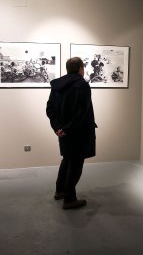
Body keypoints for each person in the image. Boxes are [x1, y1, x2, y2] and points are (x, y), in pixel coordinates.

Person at [46, 57, 97, 210]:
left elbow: (50, 109)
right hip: (79, 132)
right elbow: (81, 113)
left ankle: (60, 191)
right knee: (76, 164)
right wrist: (67, 128)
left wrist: (58, 128)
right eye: (83, 67)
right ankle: (69, 199)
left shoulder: (57, 85)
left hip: (63, 132)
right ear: (81, 68)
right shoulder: (82, 85)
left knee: (67, 159)